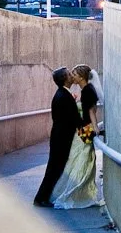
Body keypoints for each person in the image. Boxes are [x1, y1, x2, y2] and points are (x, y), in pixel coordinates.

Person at [49, 64, 102, 209]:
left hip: (85, 129)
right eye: (71, 74)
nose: (73, 76)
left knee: (84, 159)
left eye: (75, 74)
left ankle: (79, 191)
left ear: (81, 77)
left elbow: (92, 110)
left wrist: (95, 128)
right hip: (83, 129)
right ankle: (76, 191)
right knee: (82, 159)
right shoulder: (85, 90)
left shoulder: (88, 90)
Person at [33, 67, 84, 208]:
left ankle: (43, 197)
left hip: (59, 138)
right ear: (65, 79)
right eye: (69, 74)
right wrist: (90, 134)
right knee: (53, 170)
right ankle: (40, 199)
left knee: (54, 169)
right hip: (61, 140)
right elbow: (75, 120)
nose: (71, 76)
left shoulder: (63, 94)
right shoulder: (63, 96)